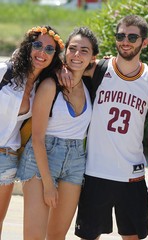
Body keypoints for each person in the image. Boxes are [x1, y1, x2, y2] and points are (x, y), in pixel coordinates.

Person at [70, 15, 148, 240]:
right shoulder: (98, 69)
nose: (125, 41)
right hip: (96, 173)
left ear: (145, 42)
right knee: (88, 236)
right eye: (121, 36)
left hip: (132, 176)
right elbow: (70, 63)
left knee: (132, 237)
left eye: (132, 36)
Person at [16, 27, 98, 240]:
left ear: (92, 58)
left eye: (84, 51)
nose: (77, 55)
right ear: (65, 52)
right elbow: (37, 138)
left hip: (75, 162)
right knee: (34, 236)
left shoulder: (91, 84)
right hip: (41, 159)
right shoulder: (51, 84)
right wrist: (48, 185)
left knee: (57, 235)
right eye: (72, 49)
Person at [0, 25, 62, 238]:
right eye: (37, 45)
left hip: (7, 158)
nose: (41, 52)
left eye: (49, 49)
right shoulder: (4, 72)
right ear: (28, 47)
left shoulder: (42, 87)